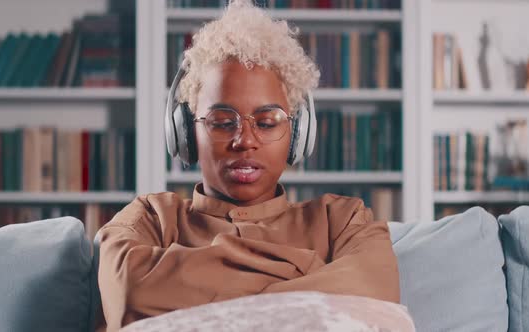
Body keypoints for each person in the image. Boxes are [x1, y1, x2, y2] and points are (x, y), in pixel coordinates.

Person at [97, 1, 400, 331]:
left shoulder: (342, 220)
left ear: (298, 133)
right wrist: (306, 268)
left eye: (268, 122)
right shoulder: (151, 218)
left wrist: (183, 288)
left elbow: (376, 297)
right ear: (186, 130)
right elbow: (129, 290)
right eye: (222, 121)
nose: (245, 140)